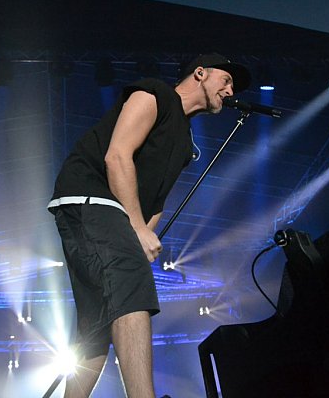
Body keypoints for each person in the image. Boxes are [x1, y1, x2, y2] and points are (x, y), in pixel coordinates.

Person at [48, 53, 251, 397]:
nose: (231, 91)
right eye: (227, 80)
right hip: (91, 196)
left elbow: (156, 201)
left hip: (112, 212)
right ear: (200, 73)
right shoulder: (154, 93)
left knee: (97, 324)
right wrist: (137, 231)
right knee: (132, 291)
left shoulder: (184, 143)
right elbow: (117, 156)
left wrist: (144, 232)